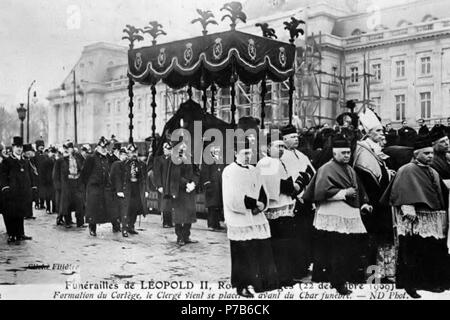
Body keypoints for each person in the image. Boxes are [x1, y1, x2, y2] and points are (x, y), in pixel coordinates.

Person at [381, 135, 449, 298]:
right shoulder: (407, 169)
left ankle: (430, 283)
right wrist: (407, 205)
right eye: (426, 154)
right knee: (412, 251)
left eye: (431, 153)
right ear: (416, 154)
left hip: (432, 218)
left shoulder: (431, 170)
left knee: (430, 250)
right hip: (415, 219)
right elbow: (399, 191)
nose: (430, 156)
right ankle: (410, 285)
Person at [303, 136, 372, 295]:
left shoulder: (350, 169)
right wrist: (343, 193)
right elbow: (320, 192)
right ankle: (337, 282)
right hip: (333, 213)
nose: (347, 155)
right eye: (343, 153)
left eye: (349, 152)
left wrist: (364, 203)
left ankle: (341, 279)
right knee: (337, 250)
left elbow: (358, 190)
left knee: (346, 249)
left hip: (349, 213)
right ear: (334, 154)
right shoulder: (326, 169)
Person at [222, 137, 278, 297]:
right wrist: (254, 204)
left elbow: (262, 189)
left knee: (260, 247)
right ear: (235, 153)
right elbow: (232, 197)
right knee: (243, 252)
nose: (248, 156)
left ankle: (261, 283)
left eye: (250, 153)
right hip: (239, 217)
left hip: (256, 215)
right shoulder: (229, 171)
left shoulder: (255, 170)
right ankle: (242, 285)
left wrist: (262, 203)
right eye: (245, 153)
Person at [353, 109, 396, 283]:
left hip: (381, 202)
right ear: (368, 133)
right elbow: (368, 177)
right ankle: (373, 277)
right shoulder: (363, 150)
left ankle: (385, 274)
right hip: (373, 202)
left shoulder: (374, 149)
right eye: (377, 131)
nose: (382, 133)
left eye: (381, 130)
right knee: (373, 240)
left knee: (383, 239)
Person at [257, 138, 297, 287]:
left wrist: (292, 186)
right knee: (277, 245)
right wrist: (293, 186)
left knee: (284, 245)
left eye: (282, 147)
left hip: (284, 206)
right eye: (277, 146)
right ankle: (274, 278)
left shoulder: (279, 162)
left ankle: (284, 276)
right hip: (275, 208)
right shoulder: (266, 162)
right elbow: (275, 186)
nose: (281, 149)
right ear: (268, 148)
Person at [280, 124, 316, 281]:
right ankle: (294, 267)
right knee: (295, 236)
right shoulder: (281, 156)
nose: (296, 139)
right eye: (292, 137)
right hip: (294, 200)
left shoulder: (302, 155)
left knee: (306, 234)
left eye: (297, 136)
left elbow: (311, 173)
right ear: (284, 139)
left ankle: (304, 265)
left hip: (306, 200)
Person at [81, 136, 120, 236]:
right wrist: (88, 185)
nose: (104, 149)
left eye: (106, 147)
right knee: (93, 209)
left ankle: (115, 225)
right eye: (103, 148)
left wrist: (111, 154)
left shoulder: (106, 158)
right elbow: (84, 174)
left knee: (110, 207)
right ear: (98, 147)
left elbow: (116, 161)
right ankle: (92, 227)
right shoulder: (91, 158)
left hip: (105, 187)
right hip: (94, 187)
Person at [0, 137, 37, 244]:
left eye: (21, 147)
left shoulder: (25, 161)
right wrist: (5, 187)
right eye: (17, 147)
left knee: (20, 213)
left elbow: (30, 176)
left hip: (23, 192)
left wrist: (33, 187)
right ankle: (12, 234)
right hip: (11, 192)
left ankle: (20, 233)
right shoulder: (7, 161)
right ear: (13, 147)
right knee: (11, 214)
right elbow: (2, 176)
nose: (19, 149)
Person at [111, 145, 148, 237]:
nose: (133, 155)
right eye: (131, 153)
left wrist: (146, 190)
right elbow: (118, 178)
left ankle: (131, 226)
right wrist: (119, 190)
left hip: (136, 189)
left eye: (135, 152)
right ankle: (124, 228)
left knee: (134, 209)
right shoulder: (122, 164)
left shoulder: (142, 164)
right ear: (128, 154)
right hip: (126, 189)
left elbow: (144, 178)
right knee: (125, 209)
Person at [169, 142, 199, 246]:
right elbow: (176, 176)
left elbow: (196, 172)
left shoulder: (191, 158)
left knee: (189, 214)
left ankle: (186, 235)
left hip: (190, 191)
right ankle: (179, 237)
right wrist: (187, 184)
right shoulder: (176, 160)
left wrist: (194, 183)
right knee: (179, 215)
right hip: (180, 191)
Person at [53, 141, 86, 228]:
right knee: (66, 204)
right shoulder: (60, 161)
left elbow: (82, 169)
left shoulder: (78, 158)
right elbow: (55, 175)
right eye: (66, 148)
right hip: (66, 184)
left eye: (69, 148)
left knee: (79, 203)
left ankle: (80, 222)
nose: (67, 150)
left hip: (77, 183)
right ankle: (67, 222)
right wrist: (58, 186)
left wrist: (82, 182)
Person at [200, 145, 225, 231]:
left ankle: (216, 224)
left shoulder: (221, 160)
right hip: (211, 186)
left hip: (220, 186)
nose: (217, 152)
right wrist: (207, 183)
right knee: (212, 206)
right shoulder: (208, 160)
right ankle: (211, 224)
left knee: (218, 205)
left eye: (218, 150)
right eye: (215, 151)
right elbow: (204, 172)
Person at [153, 142, 174, 228]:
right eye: (165, 149)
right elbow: (156, 174)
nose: (167, 151)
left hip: (171, 185)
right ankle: (166, 222)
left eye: (169, 149)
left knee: (171, 204)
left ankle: (171, 221)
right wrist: (159, 185)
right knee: (164, 204)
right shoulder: (158, 160)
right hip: (163, 185)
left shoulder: (174, 159)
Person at [39, 147, 56, 214]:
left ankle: (54, 208)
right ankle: (48, 208)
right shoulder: (45, 161)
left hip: (53, 180)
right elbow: (42, 172)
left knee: (54, 195)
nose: (52, 154)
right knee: (48, 196)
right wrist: (43, 180)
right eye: (51, 152)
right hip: (47, 180)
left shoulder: (55, 160)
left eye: (53, 152)